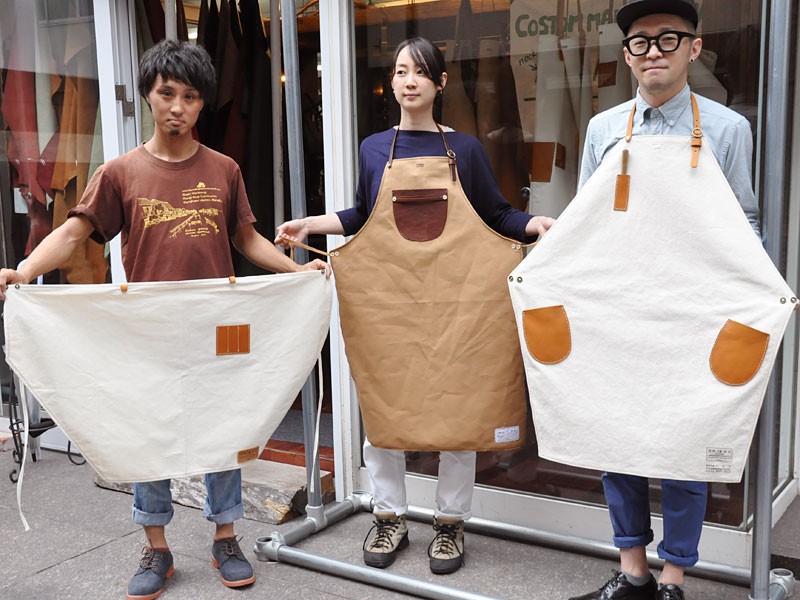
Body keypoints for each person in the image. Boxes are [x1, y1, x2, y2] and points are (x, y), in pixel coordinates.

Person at [0, 39, 329, 600]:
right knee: (145, 431)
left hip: (217, 328)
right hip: (146, 331)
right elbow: (75, 233)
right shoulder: (120, 172)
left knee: (224, 427)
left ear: (203, 104)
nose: (178, 106)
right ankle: (156, 546)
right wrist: (25, 270)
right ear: (149, 96)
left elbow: (247, 238)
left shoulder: (224, 169)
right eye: (167, 93)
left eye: (191, 97)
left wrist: (299, 272)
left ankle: (226, 537)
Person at [276, 36, 555, 575]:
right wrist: (313, 223)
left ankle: (450, 525)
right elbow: (363, 215)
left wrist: (532, 223)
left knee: (460, 410)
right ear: (393, 81)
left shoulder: (465, 150)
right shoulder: (373, 148)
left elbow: (495, 215)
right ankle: (389, 517)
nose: (410, 81)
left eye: (421, 72)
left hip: (457, 305)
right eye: (402, 70)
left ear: (440, 83)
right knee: (384, 407)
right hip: (389, 304)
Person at [568, 2, 759, 599]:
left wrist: (751, 297)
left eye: (667, 39)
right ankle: (632, 571)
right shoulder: (603, 129)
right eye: (640, 42)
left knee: (687, 447)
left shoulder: (727, 129)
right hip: (618, 308)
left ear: (694, 48)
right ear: (627, 55)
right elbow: (586, 222)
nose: (653, 51)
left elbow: (745, 222)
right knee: (616, 440)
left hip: (694, 311)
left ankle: (673, 577)